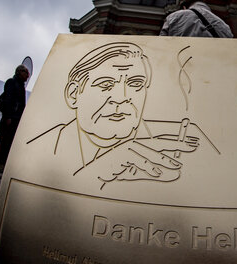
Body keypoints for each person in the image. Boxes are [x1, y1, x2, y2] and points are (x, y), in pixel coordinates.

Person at [27, 42, 215, 190]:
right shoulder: (37, 149)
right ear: (73, 94)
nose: (121, 98)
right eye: (106, 85)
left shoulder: (190, 139)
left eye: (135, 84)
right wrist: (90, 178)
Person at [0, 65, 29, 168]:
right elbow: (8, 100)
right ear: (19, 72)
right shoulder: (11, 82)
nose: (27, 75)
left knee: (11, 142)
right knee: (5, 141)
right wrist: (8, 116)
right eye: (25, 72)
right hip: (11, 118)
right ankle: (1, 163)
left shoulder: (21, 87)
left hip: (16, 118)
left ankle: (5, 164)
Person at [159, 0, 233, 38]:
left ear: (184, 7)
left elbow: (162, 43)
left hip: (184, 61)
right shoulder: (225, 26)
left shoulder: (175, 16)